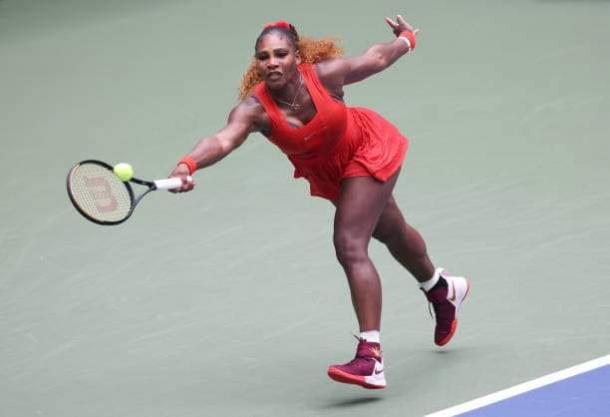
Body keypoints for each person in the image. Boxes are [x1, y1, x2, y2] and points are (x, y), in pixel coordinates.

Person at [168, 15, 470, 390]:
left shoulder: (324, 76)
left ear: (296, 55)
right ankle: (442, 288)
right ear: (256, 63)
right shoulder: (254, 110)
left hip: (367, 147)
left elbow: (374, 59)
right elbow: (223, 139)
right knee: (392, 231)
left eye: (281, 54)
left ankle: (370, 356)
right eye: (264, 57)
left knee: (349, 243)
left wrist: (406, 40)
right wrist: (188, 164)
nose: (272, 62)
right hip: (332, 174)